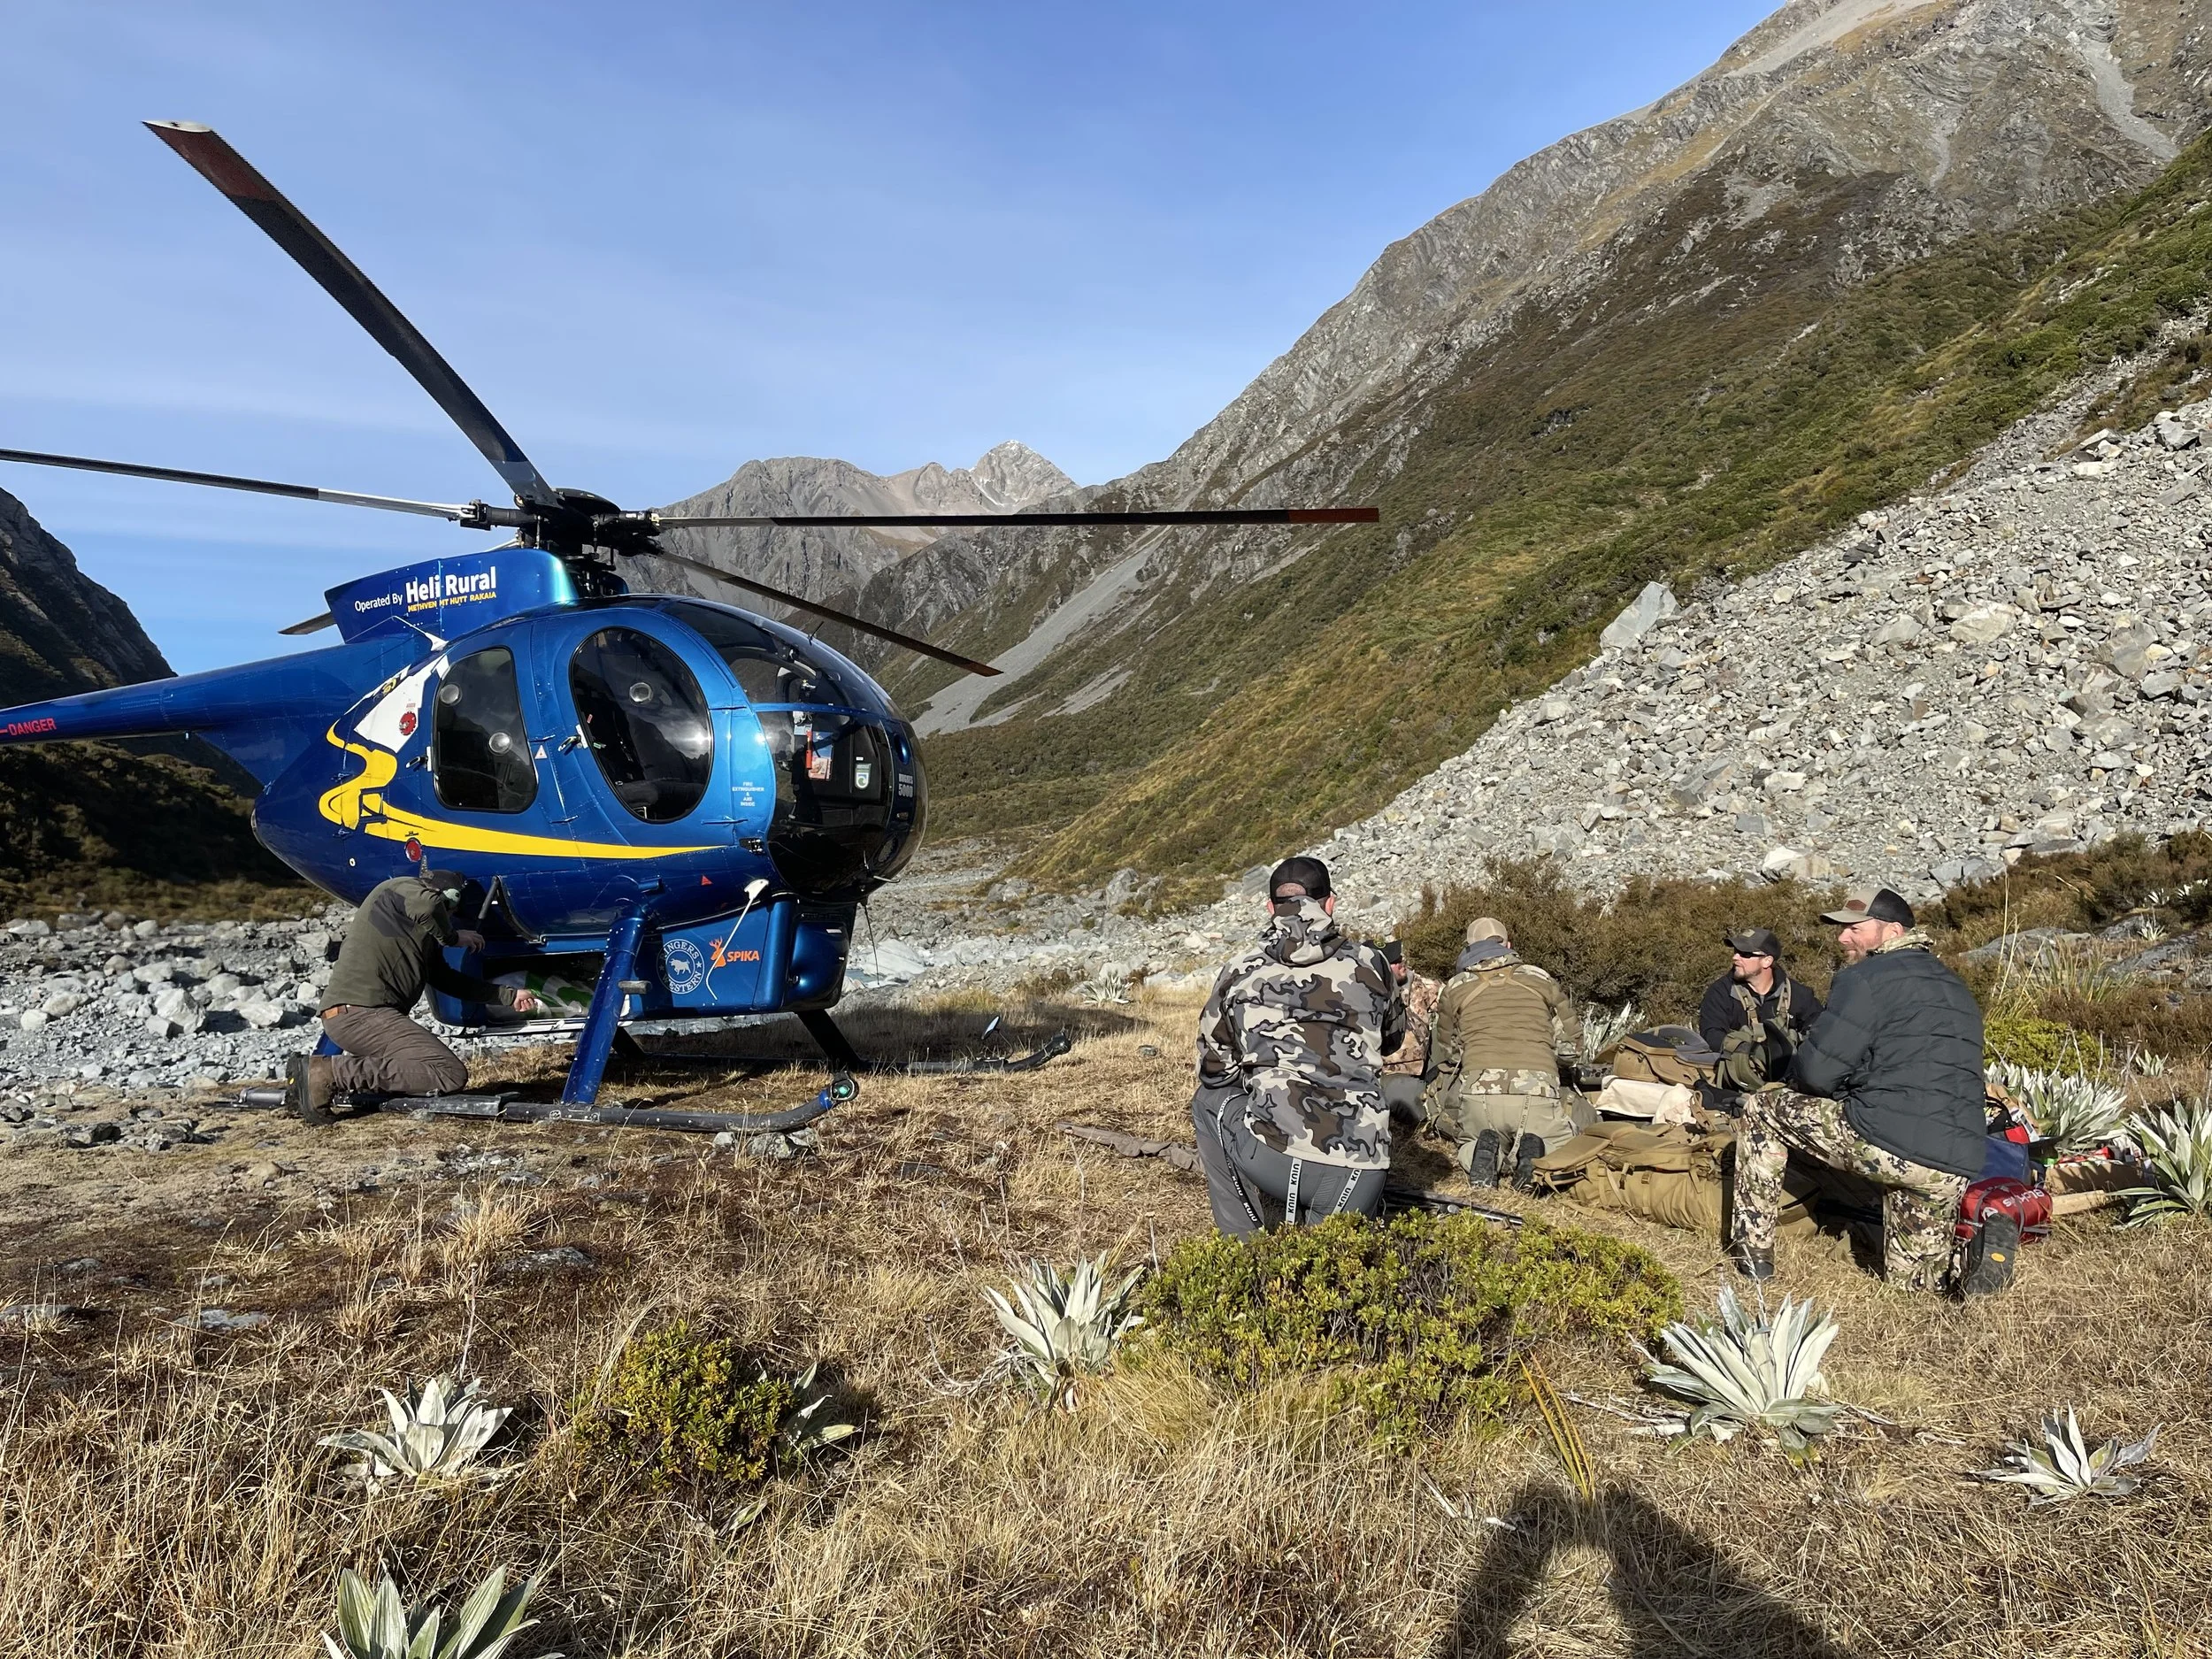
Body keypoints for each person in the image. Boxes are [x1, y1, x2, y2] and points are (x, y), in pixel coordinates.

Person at [1732, 886, 1988, 1294]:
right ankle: (1960, 1275)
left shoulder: (1865, 978)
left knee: (1764, 1109)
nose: (1843, 938)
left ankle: (1751, 1254)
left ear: (1892, 931)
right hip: (1956, 1159)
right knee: (1913, 1290)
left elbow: (1816, 1074)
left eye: (1854, 928)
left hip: (1888, 1138)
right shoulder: (1955, 987)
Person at [1191, 855, 1402, 1235]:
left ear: (1271, 908)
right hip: (1363, 1170)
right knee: (1332, 1273)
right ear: (1331, 903)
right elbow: (1392, 1039)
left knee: (1207, 1103)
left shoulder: (1241, 970)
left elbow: (1213, 1068)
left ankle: (1244, 1246)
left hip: (1277, 1162)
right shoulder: (1373, 963)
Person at [287, 867, 541, 1123]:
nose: (451, 916)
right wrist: (453, 938)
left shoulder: (414, 933)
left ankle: (329, 1079)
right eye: (452, 909)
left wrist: (509, 996)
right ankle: (328, 1074)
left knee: (421, 1068)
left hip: (355, 1016)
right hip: (362, 1015)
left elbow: (447, 980)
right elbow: (429, 906)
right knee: (448, 1073)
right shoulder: (398, 888)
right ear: (448, 897)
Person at [1422, 916, 1586, 1190]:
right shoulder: (1539, 977)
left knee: (1468, 1141)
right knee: (1563, 1141)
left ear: (1469, 949)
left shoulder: (1455, 986)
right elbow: (1572, 1049)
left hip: (1480, 1098)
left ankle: (1482, 1153)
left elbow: (1449, 1054)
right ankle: (1538, 1152)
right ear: (1508, 944)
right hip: (1537, 1096)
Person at [1699, 927, 1824, 1090]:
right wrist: (1749, 1053)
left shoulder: (1799, 994)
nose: (1735, 957)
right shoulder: (1720, 992)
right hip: (1739, 1081)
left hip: (1791, 1084)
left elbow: (1820, 1031)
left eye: (1745, 954)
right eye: (1736, 951)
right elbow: (1712, 1034)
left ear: (1767, 961)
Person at [1379, 938, 1441, 1121]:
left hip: (1423, 1070)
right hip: (1386, 1075)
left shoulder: (1419, 985)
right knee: (1410, 1101)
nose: (1401, 963)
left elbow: (1453, 998)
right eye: (1394, 961)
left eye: (1400, 958)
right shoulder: (1363, 992)